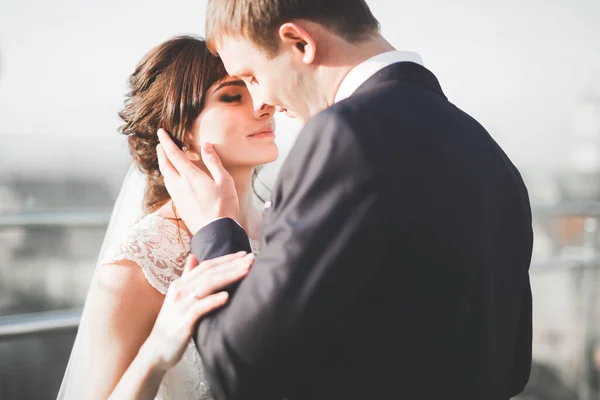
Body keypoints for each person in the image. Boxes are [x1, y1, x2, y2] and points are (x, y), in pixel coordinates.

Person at [156, 1, 534, 399]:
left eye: (251, 76)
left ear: (299, 42)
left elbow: (241, 369)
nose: (262, 102)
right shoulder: (487, 151)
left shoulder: (344, 137)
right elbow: (512, 367)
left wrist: (216, 230)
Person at [57, 35, 278, 400]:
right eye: (232, 96)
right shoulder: (139, 262)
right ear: (180, 133)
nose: (265, 105)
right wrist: (158, 349)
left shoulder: (285, 226)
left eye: (257, 87)